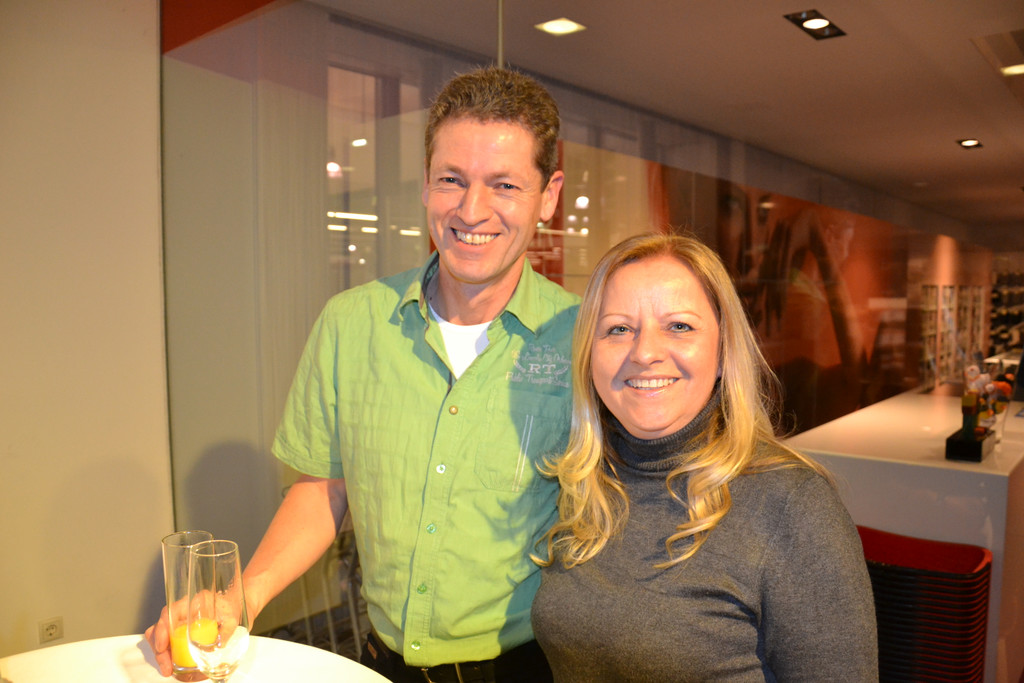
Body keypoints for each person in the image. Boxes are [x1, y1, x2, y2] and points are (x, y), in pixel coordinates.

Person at [147, 66, 576, 683]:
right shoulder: (350, 324)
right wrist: (241, 597)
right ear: (425, 183)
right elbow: (325, 488)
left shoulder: (583, 339)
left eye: (504, 185)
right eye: (451, 179)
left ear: (549, 195)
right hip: (380, 663)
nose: (471, 209)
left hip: (526, 668)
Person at [531, 233, 878, 682]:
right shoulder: (580, 481)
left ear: (721, 352)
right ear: (588, 355)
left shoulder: (793, 506)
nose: (645, 353)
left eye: (679, 326)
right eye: (618, 329)